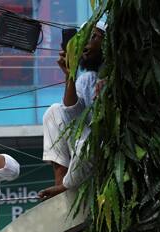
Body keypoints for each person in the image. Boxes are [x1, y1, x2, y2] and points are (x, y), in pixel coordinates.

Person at [39, 19, 106, 199]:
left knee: (86, 142)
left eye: (93, 37)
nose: (86, 43)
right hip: (83, 149)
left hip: (104, 147)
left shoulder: (117, 74)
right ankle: (60, 182)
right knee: (53, 112)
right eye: (82, 39)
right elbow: (72, 114)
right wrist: (70, 75)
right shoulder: (87, 79)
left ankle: (65, 187)